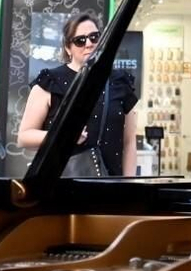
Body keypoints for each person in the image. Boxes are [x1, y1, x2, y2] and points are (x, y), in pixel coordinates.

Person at [18, 15, 138, 177]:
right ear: (68, 48)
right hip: (62, 184)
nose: (89, 44)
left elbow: (129, 141)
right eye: (80, 40)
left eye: (94, 37)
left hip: (111, 186)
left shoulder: (119, 82)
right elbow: (24, 137)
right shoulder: (51, 81)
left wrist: (129, 185)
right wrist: (65, 135)